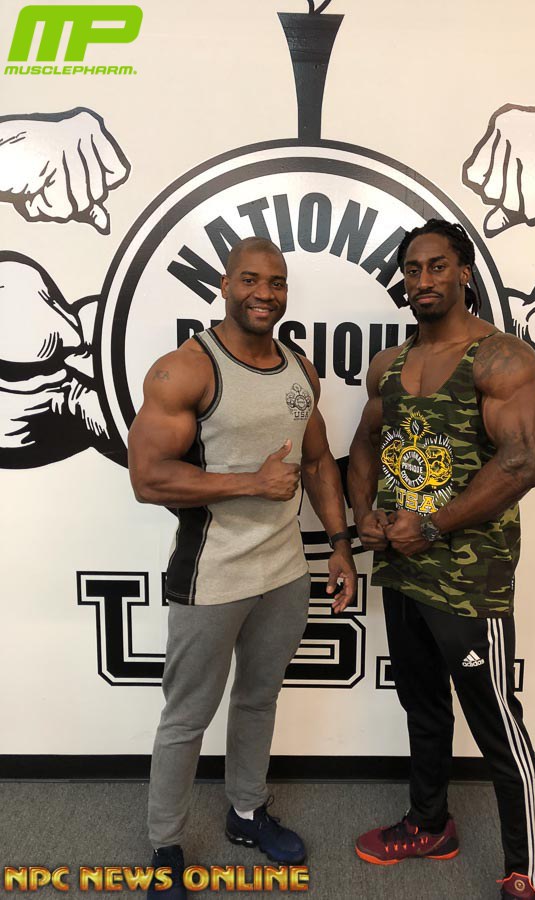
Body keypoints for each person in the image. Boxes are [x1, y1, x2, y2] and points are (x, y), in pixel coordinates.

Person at [128, 236, 356, 899]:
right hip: (212, 575)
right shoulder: (185, 371)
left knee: (258, 698)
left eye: (276, 282)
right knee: (186, 717)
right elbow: (147, 477)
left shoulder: (300, 369)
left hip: (284, 573)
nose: (265, 293)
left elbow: (318, 461)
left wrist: (339, 545)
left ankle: (247, 811)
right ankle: (165, 845)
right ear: (225, 286)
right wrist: (249, 484)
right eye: (250, 280)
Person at [348, 219, 535, 899]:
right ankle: (429, 824)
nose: (423, 280)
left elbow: (522, 463)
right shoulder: (388, 365)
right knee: (423, 706)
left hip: (469, 578)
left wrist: (432, 526)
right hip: (402, 568)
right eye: (412, 269)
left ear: (463, 272)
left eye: (437, 266)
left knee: (496, 722)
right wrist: (364, 514)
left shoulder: (499, 359)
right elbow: (364, 444)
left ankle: (526, 870)